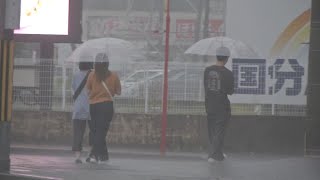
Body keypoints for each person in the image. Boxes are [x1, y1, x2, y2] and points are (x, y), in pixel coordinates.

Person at [86, 53, 121, 164]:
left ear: (95, 64)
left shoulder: (91, 75)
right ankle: (99, 155)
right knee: (101, 132)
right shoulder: (114, 75)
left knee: (96, 131)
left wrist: (95, 92)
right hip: (107, 106)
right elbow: (118, 92)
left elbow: (87, 90)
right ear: (107, 64)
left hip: (93, 106)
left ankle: (96, 155)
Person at [203, 46, 234, 162]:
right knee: (219, 131)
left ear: (217, 56)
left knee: (212, 130)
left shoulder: (207, 70)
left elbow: (205, 86)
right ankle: (212, 155)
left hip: (209, 104)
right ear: (226, 59)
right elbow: (231, 91)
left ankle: (219, 153)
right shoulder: (229, 74)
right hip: (222, 106)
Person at [71, 61, 93, 164]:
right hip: (91, 107)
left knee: (78, 132)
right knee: (93, 132)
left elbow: (74, 89)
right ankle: (89, 155)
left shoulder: (75, 75)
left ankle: (77, 157)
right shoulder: (93, 75)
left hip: (78, 108)